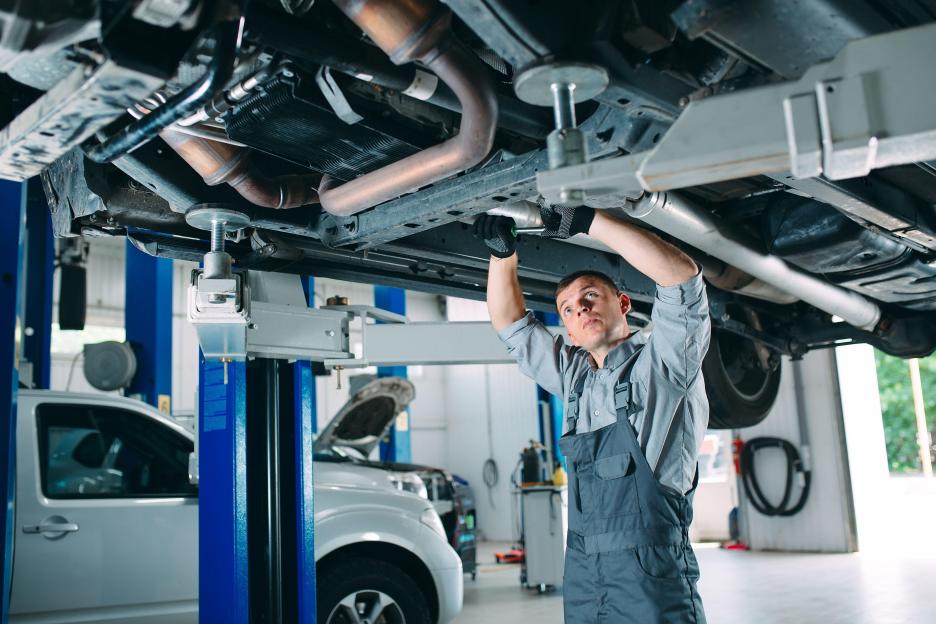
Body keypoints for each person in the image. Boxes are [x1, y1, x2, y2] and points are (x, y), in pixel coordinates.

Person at [475, 205, 710, 624]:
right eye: (568, 309)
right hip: (583, 574)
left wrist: (589, 221)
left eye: (589, 297)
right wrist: (501, 255)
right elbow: (510, 324)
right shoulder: (574, 378)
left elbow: (682, 278)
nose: (580, 309)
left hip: (650, 575)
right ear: (568, 331)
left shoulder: (666, 363)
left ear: (621, 303)